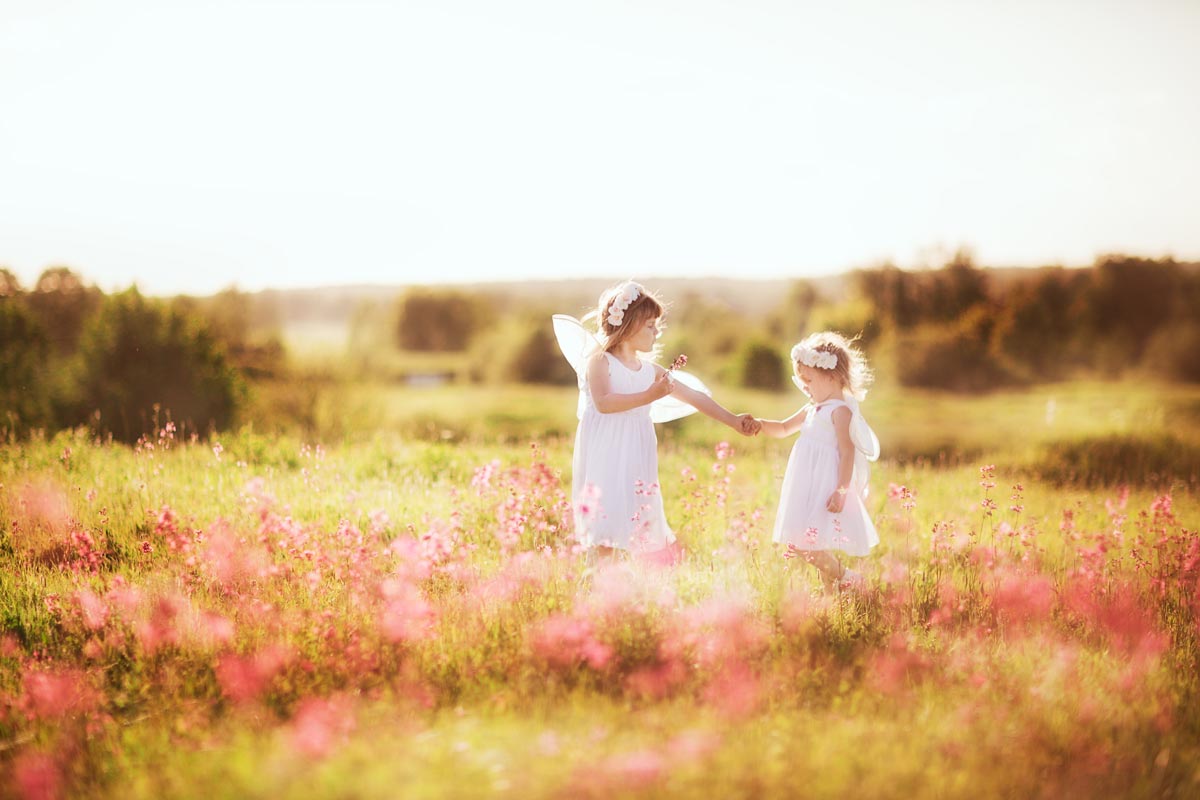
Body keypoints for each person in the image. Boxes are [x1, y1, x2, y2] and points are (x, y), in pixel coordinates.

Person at [559, 281, 759, 558]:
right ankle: (596, 583)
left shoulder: (650, 371)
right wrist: (649, 395)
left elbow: (694, 397)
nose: (657, 331)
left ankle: (624, 587)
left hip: (635, 454)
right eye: (650, 325)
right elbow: (604, 403)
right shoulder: (600, 362)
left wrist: (733, 420)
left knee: (635, 519)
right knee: (607, 521)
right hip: (605, 453)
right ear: (628, 324)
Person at [754, 332, 879, 591]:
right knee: (812, 542)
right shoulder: (812, 408)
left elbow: (847, 452)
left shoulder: (839, 412)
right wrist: (759, 425)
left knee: (807, 544)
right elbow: (783, 427)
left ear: (832, 377)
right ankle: (831, 595)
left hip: (825, 485)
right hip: (806, 484)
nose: (806, 387)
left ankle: (849, 579)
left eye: (809, 380)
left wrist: (842, 490)